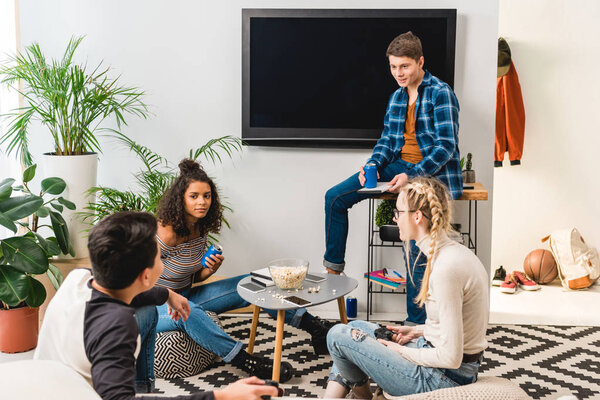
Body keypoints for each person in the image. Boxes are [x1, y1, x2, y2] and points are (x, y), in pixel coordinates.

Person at [34, 211, 279, 400]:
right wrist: (220, 395)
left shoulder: (78, 279)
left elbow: (137, 293)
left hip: (43, 387)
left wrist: (167, 294)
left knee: (147, 310)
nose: (162, 262)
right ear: (145, 275)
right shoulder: (117, 325)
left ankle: (144, 388)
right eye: (159, 258)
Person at [137, 158, 334, 384]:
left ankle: (315, 328)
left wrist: (208, 271)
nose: (202, 202)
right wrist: (169, 297)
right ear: (180, 199)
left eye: (207, 196)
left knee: (255, 283)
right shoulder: (164, 232)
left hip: (187, 293)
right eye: (194, 196)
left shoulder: (198, 226)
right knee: (187, 309)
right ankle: (245, 361)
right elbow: (139, 281)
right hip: (155, 305)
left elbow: (188, 276)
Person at [323, 31, 463, 324]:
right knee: (334, 198)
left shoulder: (441, 92)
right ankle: (333, 271)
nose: (398, 73)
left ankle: (416, 324)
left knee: (414, 245)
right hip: (398, 166)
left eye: (405, 66)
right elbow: (387, 141)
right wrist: (372, 164)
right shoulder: (397, 97)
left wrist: (410, 175)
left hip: (430, 176)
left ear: (420, 61)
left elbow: (446, 146)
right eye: (393, 67)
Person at [323, 177, 488, 398]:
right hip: (437, 358)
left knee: (338, 335)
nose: (395, 218)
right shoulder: (449, 253)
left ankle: (363, 397)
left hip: (444, 377)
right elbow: (454, 327)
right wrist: (416, 331)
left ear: (417, 216)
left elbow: (452, 357)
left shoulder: (446, 268)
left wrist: (401, 351)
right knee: (357, 330)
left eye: (398, 212)